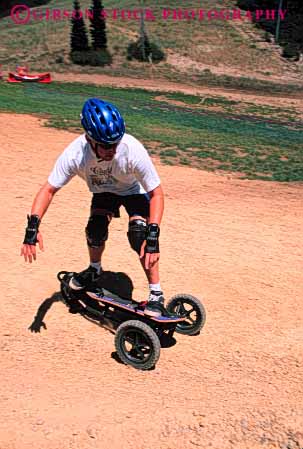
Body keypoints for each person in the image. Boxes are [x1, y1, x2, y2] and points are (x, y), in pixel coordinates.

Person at [21, 97, 166, 317]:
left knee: (140, 236)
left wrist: (153, 234)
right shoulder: (75, 155)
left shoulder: (132, 149)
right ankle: (94, 270)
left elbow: (156, 194)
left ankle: (156, 294)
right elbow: (48, 190)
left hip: (133, 191)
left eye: (116, 143)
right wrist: (32, 229)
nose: (113, 150)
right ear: (89, 139)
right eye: (106, 146)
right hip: (103, 192)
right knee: (95, 230)